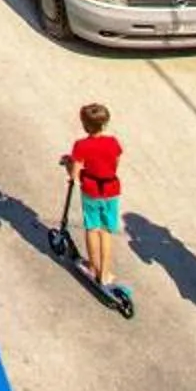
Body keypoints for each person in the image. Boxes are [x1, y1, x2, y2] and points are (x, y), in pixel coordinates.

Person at [61, 102, 124, 295]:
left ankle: (93, 267)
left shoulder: (81, 146)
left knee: (92, 227)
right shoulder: (113, 143)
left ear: (85, 125)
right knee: (106, 231)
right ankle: (104, 272)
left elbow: (75, 174)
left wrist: (67, 163)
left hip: (92, 191)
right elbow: (116, 163)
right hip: (111, 190)